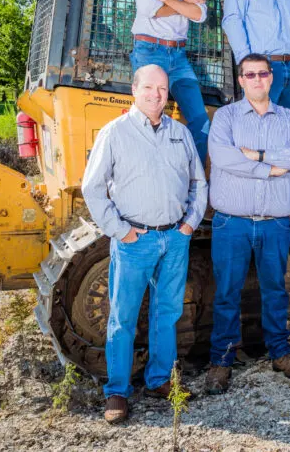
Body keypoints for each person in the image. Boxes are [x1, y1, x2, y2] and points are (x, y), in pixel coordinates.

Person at [81, 64, 208, 425]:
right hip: (134, 240)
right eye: (149, 88)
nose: (156, 95)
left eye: (162, 89)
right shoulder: (115, 133)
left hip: (174, 238)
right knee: (122, 317)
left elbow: (199, 182)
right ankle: (117, 390)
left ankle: (158, 380)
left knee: (166, 313)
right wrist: (120, 231)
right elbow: (92, 187)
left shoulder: (180, 134)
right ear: (134, 90)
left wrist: (189, 224)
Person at [205, 54, 290, 394]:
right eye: (249, 74)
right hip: (232, 223)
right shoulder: (226, 117)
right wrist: (272, 168)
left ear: (270, 78)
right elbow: (223, 157)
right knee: (226, 293)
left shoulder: (289, 118)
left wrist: (257, 155)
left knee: (276, 290)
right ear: (241, 80)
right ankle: (221, 361)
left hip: (275, 223)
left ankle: (280, 352)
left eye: (262, 74)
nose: (256, 79)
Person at [129, 0, 211, 162]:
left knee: (201, 123)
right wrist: (182, 3)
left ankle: (189, 184)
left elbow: (200, 15)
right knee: (148, 121)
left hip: (179, 56)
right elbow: (146, 9)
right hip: (149, 51)